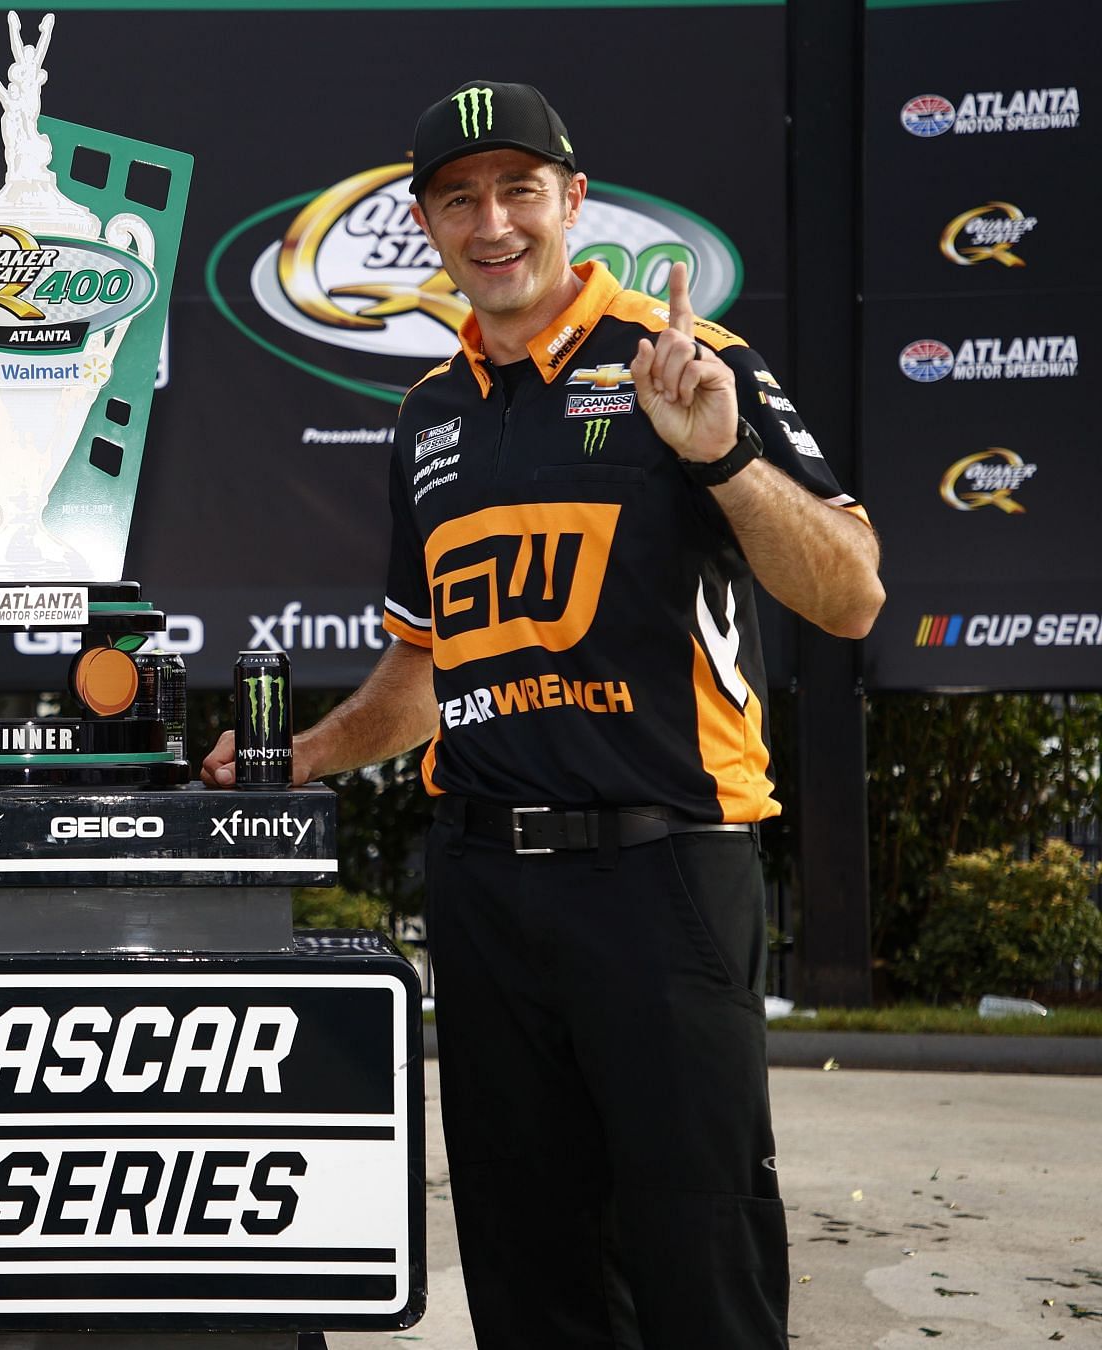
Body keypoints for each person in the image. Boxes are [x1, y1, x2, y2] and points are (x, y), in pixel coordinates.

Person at [204, 82, 883, 1347]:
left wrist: (723, 458)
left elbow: (849, 597)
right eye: (459, 198)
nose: (493, 222)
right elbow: (426, 669)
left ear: (574, 203)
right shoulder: (428, 418)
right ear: (424, 226)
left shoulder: (683, 363)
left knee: (702, 1268)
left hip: (663, 869)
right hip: (484, 893)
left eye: (521, 190)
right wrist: (305, 755)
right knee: (531, 1279)